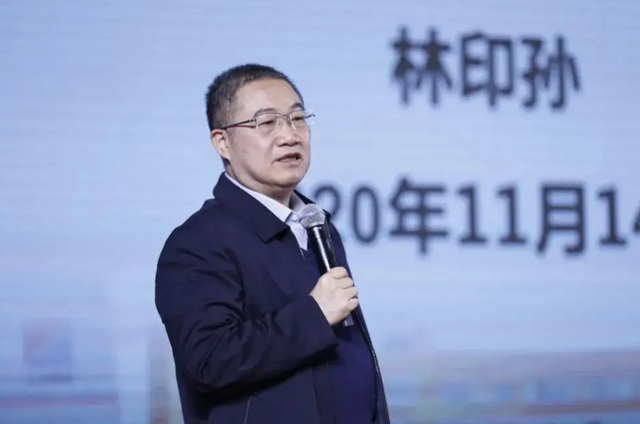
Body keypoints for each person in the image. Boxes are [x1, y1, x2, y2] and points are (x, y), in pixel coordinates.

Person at [154, 63, 390, 424]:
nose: (290, 136)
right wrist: (314, 315)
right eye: (266, 123)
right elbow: (209, 360)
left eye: (297, 119)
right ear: (222, 142)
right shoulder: (197, 242)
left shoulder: (318, 226)